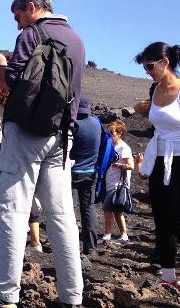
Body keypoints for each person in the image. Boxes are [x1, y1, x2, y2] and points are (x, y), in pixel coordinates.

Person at [0, 0, 85, 308]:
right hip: (62, 138)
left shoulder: (31, 33)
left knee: (13, 211)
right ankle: (72, 297)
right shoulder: (77, 40)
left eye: (18, 15)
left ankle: (4, 295)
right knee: (62, 216)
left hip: (25, 135)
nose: (17, 24)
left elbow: (11, 83)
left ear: (33, 7)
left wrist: (0, 66)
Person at [133, 42, 180, 288]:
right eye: (144, 67)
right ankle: (167, 275)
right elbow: (159, 120)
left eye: (150, 66)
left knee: (177, 219)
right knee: (161, 217)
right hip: (160, 159)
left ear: (166, 62)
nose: (147, 71)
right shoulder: (154, 89)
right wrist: (143, 110)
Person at [70, 95, 101, 255]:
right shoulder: (97, 124)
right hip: (91, 173)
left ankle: (71, 246)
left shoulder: (73, 125)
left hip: (72, 173)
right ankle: (90, 248)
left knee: (70, 210)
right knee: (88, 209)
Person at [101, 119, 134, 243]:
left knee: (108, 208)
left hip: (118, 183)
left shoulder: (123, 148)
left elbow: (131, 166)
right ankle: (123, 235)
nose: (110, 135)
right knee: (115, 210)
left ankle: (108, 234)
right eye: (109, 132)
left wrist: (118, 165)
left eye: (112, 132)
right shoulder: (110, 145)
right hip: (110, 180)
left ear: (119, 133)